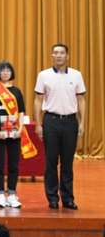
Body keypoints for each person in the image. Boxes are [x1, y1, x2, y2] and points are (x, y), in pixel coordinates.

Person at [33, 43, 86, 210]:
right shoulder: (44, 75)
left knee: (67, 162)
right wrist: (37, 124)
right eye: (55, 53)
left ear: (67, 56)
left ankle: (68, 198)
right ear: (51, 56)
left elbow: (81, 100)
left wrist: (82, 122)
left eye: (62, 53)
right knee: (50, 161)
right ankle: (52, 198)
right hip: (51, 120)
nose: (58, 56)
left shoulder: (76, 75)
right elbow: (38, 100)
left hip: (70, 121)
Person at [0, 61, 32, 208]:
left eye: (8, 70)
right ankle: (0, 195)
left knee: (13, 164)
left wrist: (20, 129)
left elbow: (21, 111)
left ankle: (11, 195)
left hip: (15, 133)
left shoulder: (16, 91)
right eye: (2, 70)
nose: (5, 73)